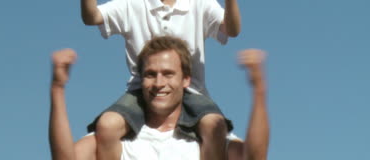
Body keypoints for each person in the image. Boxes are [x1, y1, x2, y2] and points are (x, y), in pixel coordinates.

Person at [81, 0, 242, 160]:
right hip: (141, 91)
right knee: (106, 125)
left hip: (191, 89)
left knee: (214, 126)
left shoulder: (199, 1)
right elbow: (91, 17)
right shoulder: (133, 1)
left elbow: (232, 29)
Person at [49, 36, 269, 160]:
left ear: (185, 80)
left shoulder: (207, 140)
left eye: (168, 74)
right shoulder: (119, 139)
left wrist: (258, 90)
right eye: (150, 74)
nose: (159, 83)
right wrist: (58, 88)